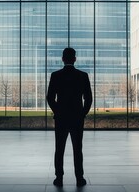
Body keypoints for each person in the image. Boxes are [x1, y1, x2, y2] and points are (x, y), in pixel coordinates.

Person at [46, 47, 92, 187]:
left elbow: (50, 98)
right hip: (77, 119)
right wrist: (82, 113)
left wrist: (58, 111)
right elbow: (88, 98)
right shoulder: (83, 76)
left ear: (62, 59)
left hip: (61, 119)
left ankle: (59, 178)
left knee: (59, 149)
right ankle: (79, 178)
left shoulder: (55, 75)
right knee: (77, 149)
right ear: (75, 59)